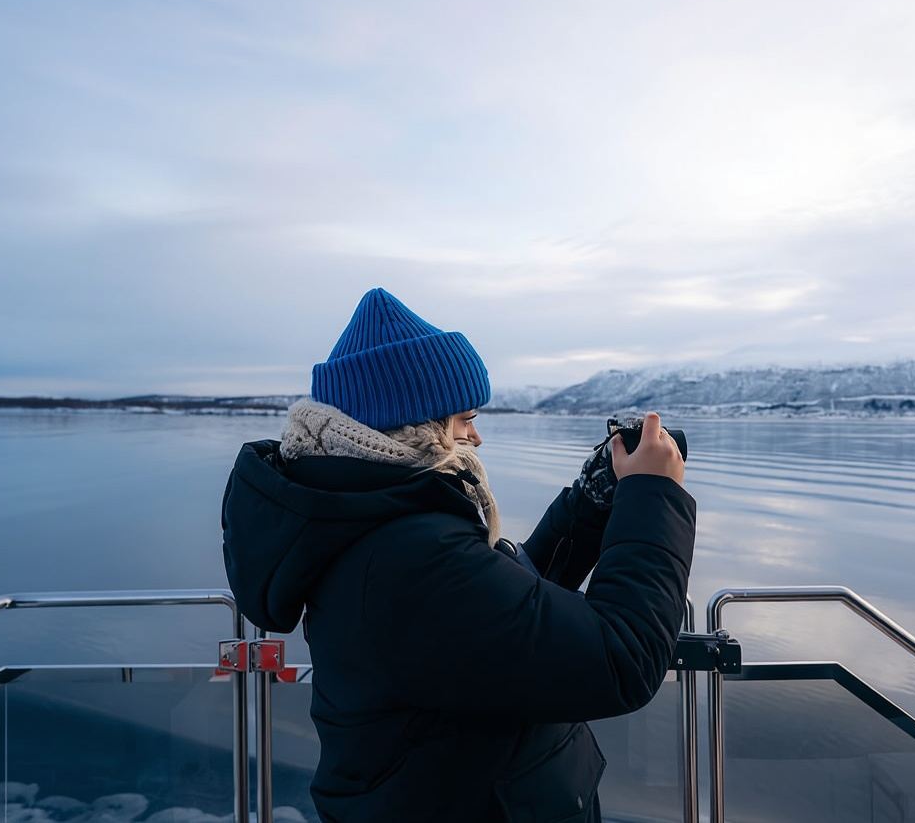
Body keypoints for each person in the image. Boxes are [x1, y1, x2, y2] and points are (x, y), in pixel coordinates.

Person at [221, 287, 695, 822]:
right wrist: (654, 496)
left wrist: (588, 505)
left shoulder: (368, 520)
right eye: (464, 418)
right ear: (414, 422)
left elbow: (507, 613)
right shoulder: (407, 555)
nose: (476, 436)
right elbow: (621, 659)